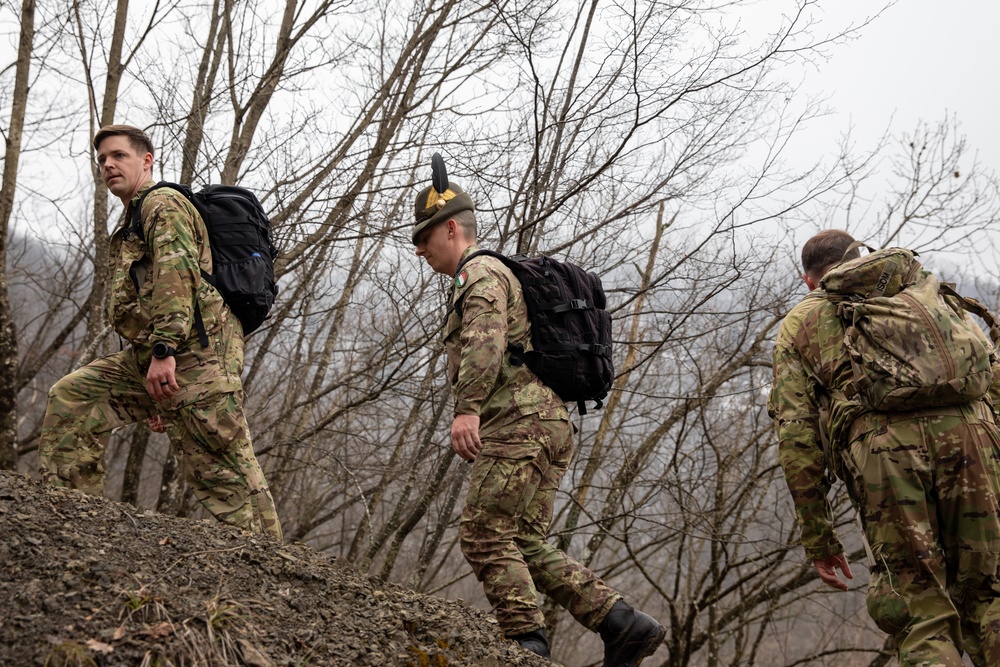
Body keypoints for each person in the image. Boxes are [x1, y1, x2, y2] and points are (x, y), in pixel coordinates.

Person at [412, 173, 665, 666]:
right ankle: (623, 624)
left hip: (517, 424)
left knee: (484, 534)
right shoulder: (494, 272)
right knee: (522, 541)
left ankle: (525, 645)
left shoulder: (478, 272)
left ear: (450, 230)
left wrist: (467, 410)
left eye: (423, 239)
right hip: (549, 424)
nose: (419, 251)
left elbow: (484, 339)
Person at [38, 124, 282, 541]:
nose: (109, 165)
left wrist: (165, 349)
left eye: (119, 156)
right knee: (74, 398)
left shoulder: (161, 204)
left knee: (224, 474)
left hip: (197, 358)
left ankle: (274, 568)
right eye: (102, 160)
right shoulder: (135, 214)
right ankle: (73, 522)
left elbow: (177, 274)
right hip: (156, 356)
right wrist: (152, 374)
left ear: (146, 160)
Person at [768, 229, 1000, 666]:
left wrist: (818, 536)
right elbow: (992, 373)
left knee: (919, 607)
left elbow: (796, 434)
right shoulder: (922, 291)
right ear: (861, 257)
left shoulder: (802, 321)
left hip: (886, 456)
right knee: (991, 594)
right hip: (974, 435)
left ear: (809, 281)